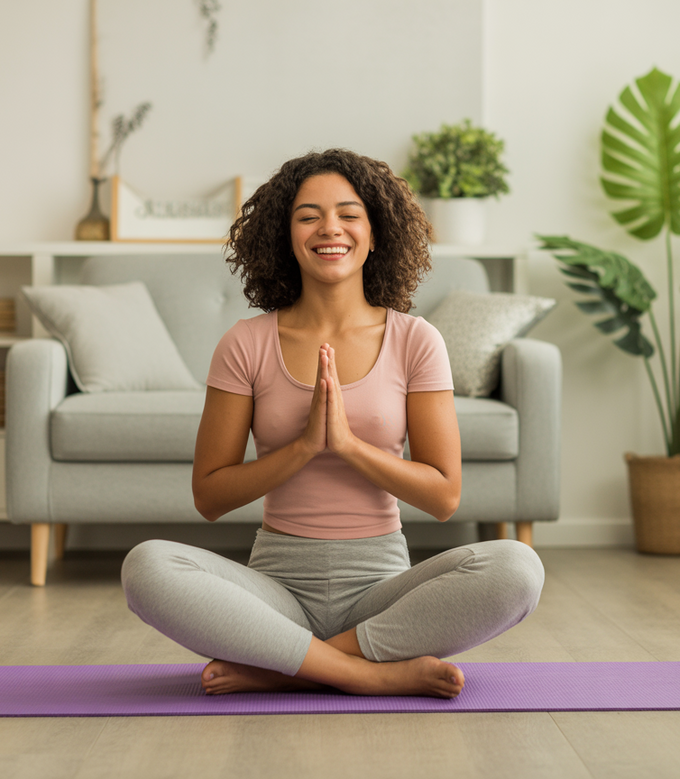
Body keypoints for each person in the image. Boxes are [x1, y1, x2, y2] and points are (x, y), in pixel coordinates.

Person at [121, 149, 544, 699]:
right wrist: (301, 447)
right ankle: (364, 673)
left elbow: (444, 496)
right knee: (146, 566)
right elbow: (209, 495)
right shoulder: (245, 343)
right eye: (308, 216)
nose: (329, 228)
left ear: (375, 232)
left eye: (349, 213)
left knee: (518, 567)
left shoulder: (416, 340)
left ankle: (284, 665)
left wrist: (347, 446)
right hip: (275, 592)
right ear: (285, 235)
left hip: (382, 592)